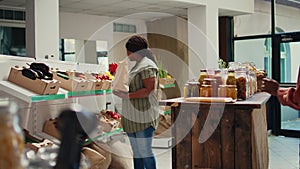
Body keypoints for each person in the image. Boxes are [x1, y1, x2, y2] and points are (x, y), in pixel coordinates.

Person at [113, 35, 159, 169]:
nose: (127, 54)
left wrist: (127, 96)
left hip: (143, 116)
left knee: (145, 152)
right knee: (137, 153)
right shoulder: (137, 65)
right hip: (132, 117)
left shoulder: (147, 66)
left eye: (128, 51)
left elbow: (149, 90)